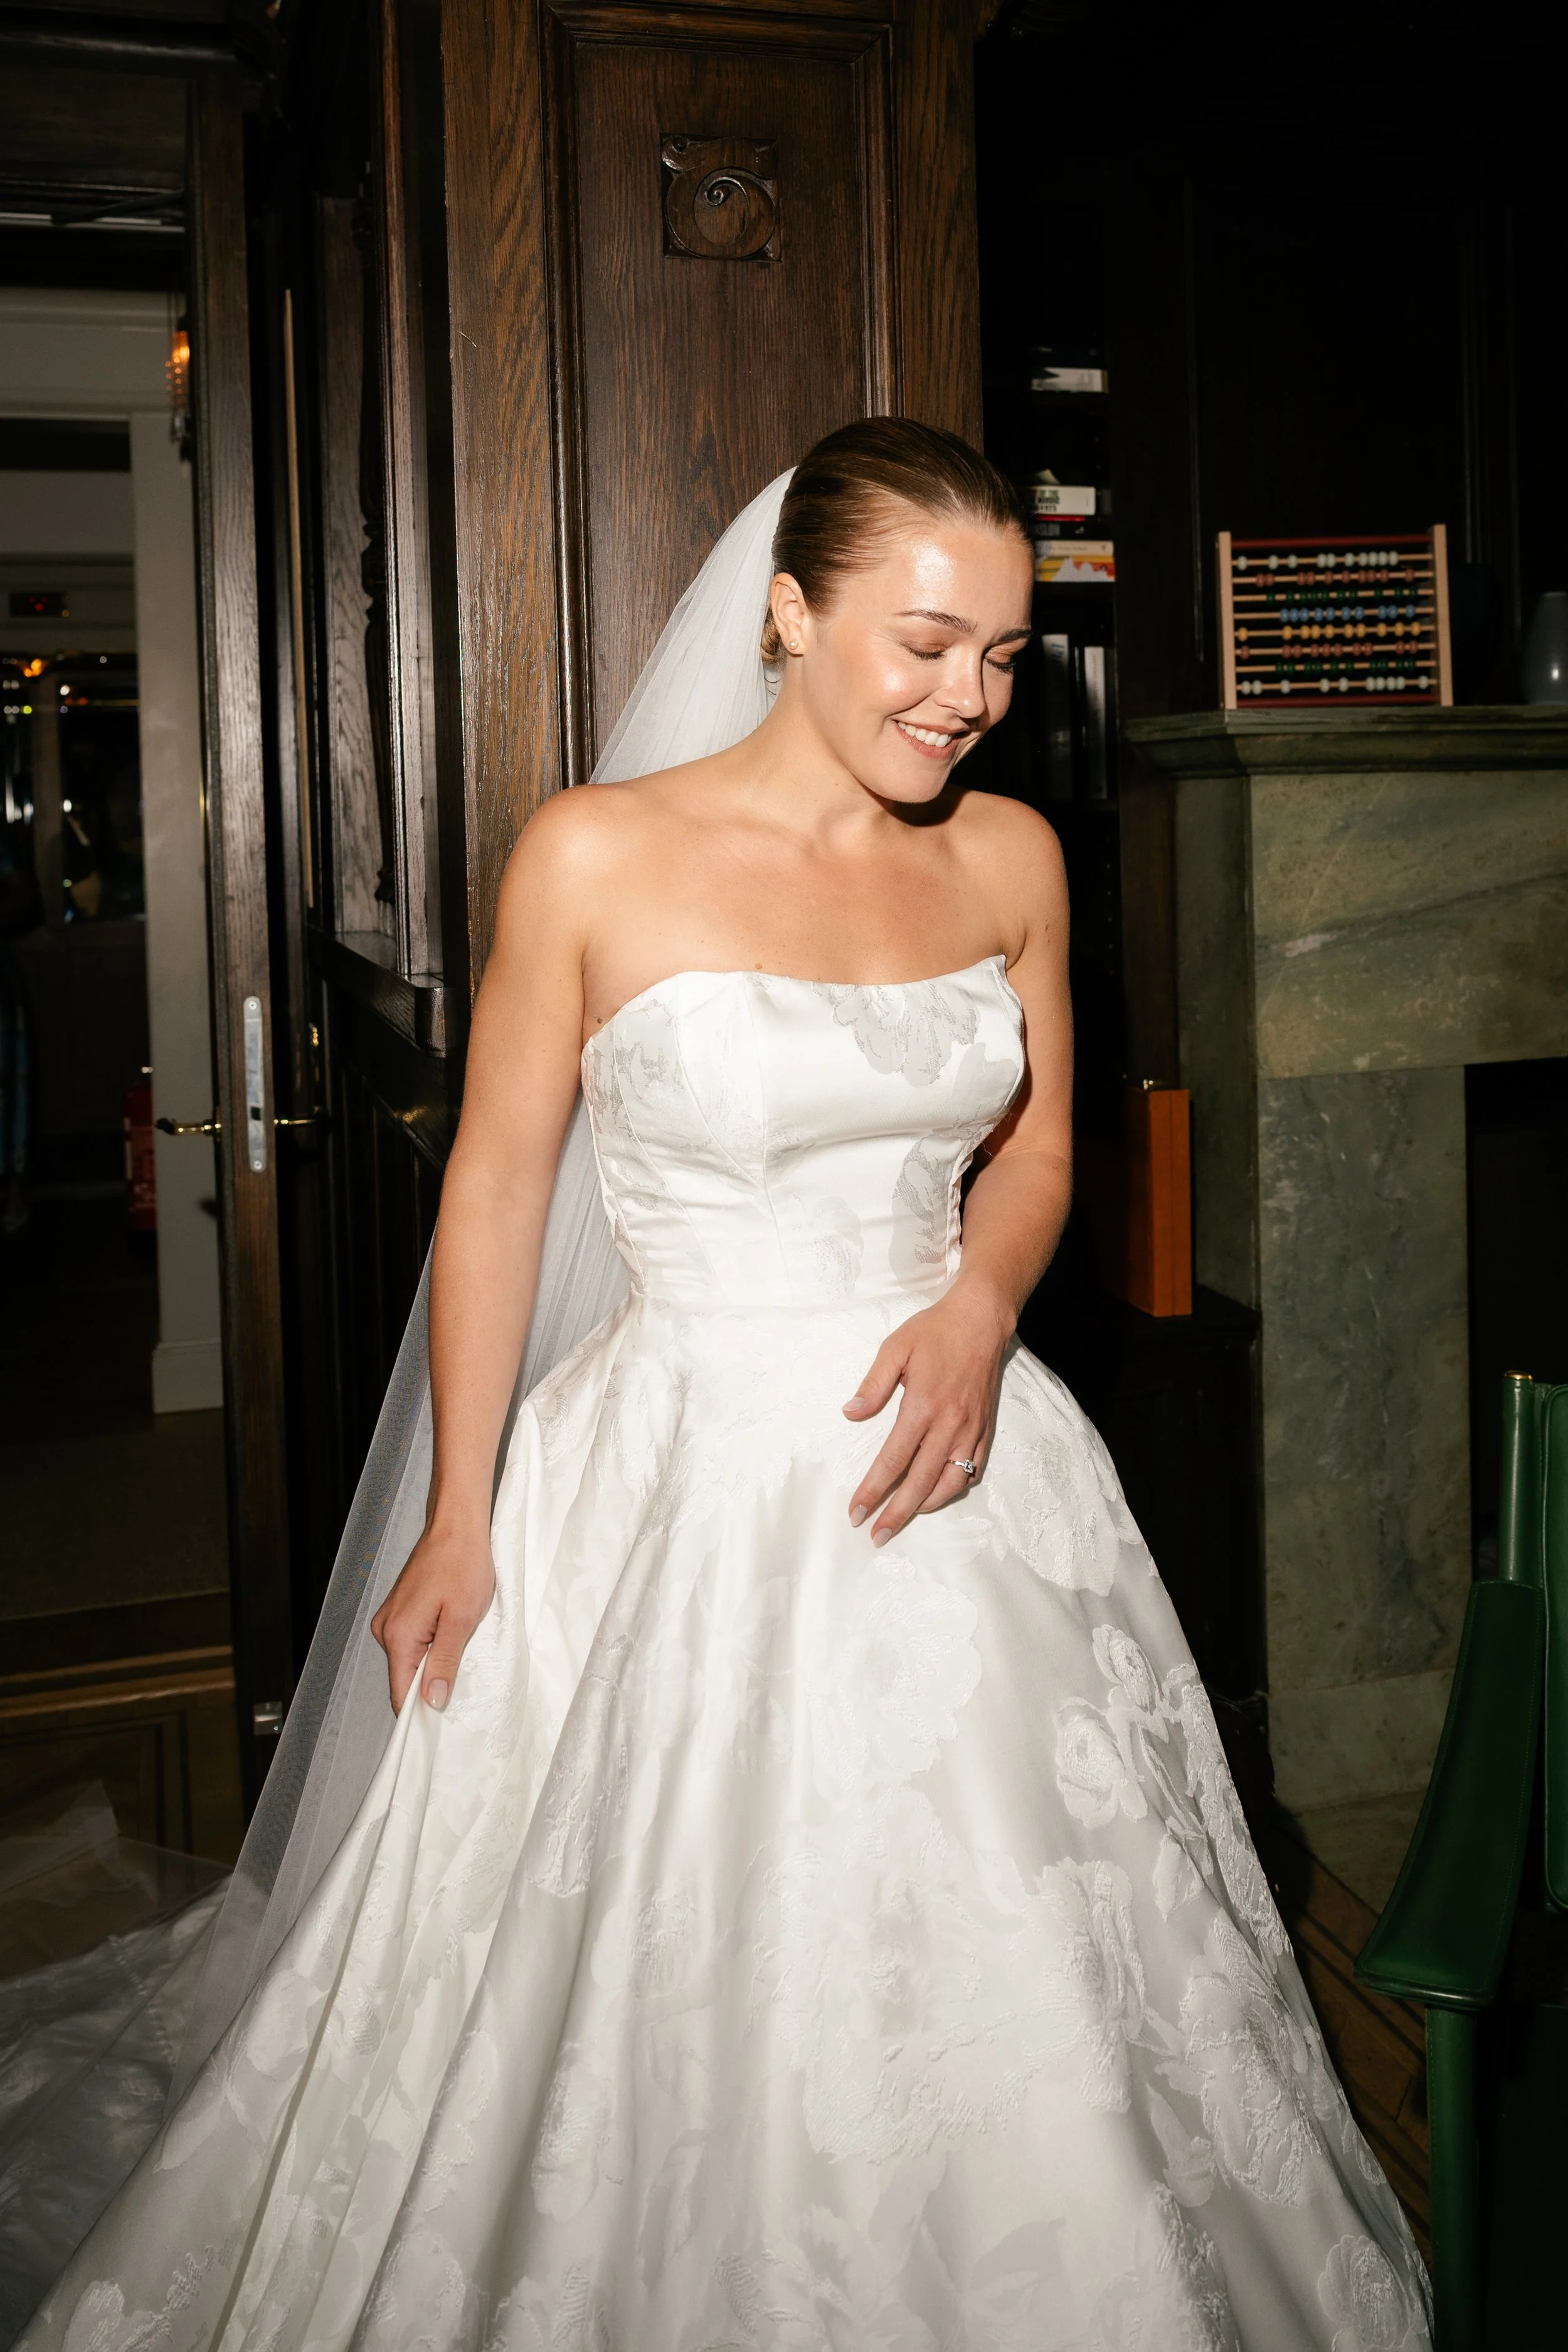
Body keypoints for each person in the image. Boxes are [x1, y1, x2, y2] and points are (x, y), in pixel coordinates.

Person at [14, 421, 1431, 2351]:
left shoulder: (1010, 857)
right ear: (786, 611)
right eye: (924, 644)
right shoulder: (597, 852)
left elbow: (1035, 1153)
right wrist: (458, 1510)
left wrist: (982, 1306)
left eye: (1008, 658)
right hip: (668, 1473)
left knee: (1025, 1975)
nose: (971, 700)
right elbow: (500, 1180)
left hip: (963, 1470)